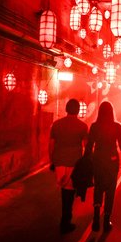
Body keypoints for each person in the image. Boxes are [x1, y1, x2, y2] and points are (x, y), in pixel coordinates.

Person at [85, 101, 121, 232]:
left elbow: (89, 146)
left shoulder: (94, 126)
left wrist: (87, 160)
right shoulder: (117, 126)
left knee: (98, 187)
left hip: (98, 159)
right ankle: (106, 220)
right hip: (112, 160)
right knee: (111, 190)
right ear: (112, 112)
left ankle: (95, 219)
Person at [49, 98, 88, 234]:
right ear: (78, 110)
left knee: (64, 190)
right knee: (69, 192)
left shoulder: (56, 124)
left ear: (66, 109)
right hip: (74, 162)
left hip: (59, 162)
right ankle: (65, 221)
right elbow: (86, 146)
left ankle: (65, 219)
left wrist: (52, 161)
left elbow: (51, 145)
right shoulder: (82, 126)